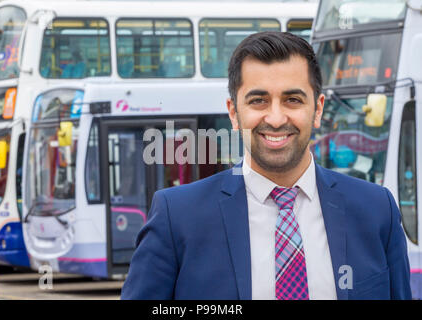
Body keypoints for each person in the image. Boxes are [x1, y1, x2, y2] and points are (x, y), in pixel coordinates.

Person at [120, 32, 412, 300]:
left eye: (293, 100)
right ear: (234, 112)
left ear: (318, 108)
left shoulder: (377, 210)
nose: (275, 118)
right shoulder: (177, 216)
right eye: (258, 100)